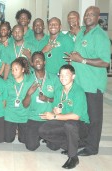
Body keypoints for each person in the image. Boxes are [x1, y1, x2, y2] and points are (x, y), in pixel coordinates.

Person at [64, 6, 111, 156]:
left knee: (94, 118)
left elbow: (105, 62)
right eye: (86, 14)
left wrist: (82, 60)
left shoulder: (100, 36)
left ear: (98, 18)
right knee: (82, 116)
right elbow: (78, 52)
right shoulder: (82, 33)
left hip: (93, 84)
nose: (88, 16)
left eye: (92, 14)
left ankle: (92, 148)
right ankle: (82, 142)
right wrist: (73, 59)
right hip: (79, 84)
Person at [39, 64, 89, 169]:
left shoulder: (78, 91)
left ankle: (73, 157)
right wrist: (55, 111)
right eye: (61, 75)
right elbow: (55, 109)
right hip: (65, 121)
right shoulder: (58, 91)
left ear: (73, 76)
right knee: (43, 130)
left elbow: (76, 116)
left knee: (70, 125)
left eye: (66, 75)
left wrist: (54, 117)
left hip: (80, 125)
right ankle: (73, 144)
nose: (63, 77)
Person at [22, 51, 58, 151]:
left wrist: (47, 99)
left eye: (40, 59)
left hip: (49, 118)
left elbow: (59, 102)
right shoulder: (28, 80)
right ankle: (38, 135)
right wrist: (28, 94)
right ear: (32, 63)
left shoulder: (54, 78)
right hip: (34, 118)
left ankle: (44, 135)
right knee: (31, 147)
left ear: (45, 62)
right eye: (35, 60)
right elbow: (24, 105)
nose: (38, 62)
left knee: (54, 147)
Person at [4, 57, 34, 143]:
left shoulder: (30, 81)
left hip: (24, 114)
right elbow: (5, 99)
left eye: (16, 69)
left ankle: (19, 131)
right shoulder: (9, 82)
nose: (13, 72)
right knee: (8, 140)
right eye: (12, 69)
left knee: (23, 140)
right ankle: (13, 129)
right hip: (10, 113)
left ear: (23, 70)